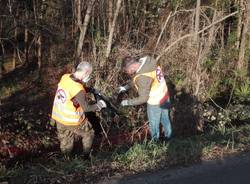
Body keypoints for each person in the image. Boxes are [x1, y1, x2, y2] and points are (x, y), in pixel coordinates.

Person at [51, 61, 107, 158]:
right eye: (89, 74)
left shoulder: (65, 77)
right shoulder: (78, 89)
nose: (89, 76)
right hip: (72, 121)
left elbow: (72, 88)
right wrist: (100, 105)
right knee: (89, 134)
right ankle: (86, 156)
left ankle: (66, 161)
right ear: (85, 72)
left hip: (59, 117)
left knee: (66, 141)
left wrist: (89, 89)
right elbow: (87, 108)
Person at [118, 56, 172, 141]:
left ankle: (155, 143)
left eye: (126, 71)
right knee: (165, 119)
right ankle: (169, 137)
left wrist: (126, 102)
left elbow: (143, 98)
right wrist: (126, 87)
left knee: (154, 124)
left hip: (155, 101)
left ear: (131, 67)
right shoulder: (147, 60)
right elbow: (140, 75)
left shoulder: (142, 77)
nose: (127, 73)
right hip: (164, 94)